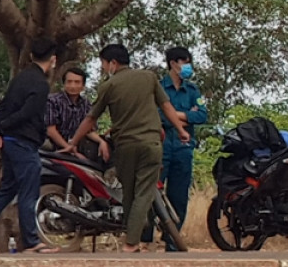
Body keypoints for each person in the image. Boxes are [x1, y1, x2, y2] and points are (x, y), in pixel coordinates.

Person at [65, 44, 189, 253]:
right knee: (144, 192)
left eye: (103, 64)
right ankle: (132, 242)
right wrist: (181, 130)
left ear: (113, 63)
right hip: (150, 144)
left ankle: (131, 238)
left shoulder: (108, 86)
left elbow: (90, 119)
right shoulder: (149, 77)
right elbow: (166, 106)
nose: (104, 68)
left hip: (125, 146)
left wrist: (73, 142)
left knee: (129, 194)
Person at [0, 40, 61, 254]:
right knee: (29, 192)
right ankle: (31, 241)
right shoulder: (41, 84)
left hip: (10, 142)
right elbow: (29, 113)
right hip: (24, 142)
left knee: (6, 189)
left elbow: (3, 106)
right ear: (53, 60)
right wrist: (7, 126)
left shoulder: (20, 79)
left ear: (31, 57)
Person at [141, 46, 207, 251]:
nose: (188, 67)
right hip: (160, 146)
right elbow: (155, 114)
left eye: (189, 63)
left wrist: (172, 113)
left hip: (183, 147)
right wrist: (185, 115)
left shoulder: (193, 90)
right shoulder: (158, 87)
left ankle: (172, 242)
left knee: (179, 196)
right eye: (184, 62)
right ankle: (146, 239)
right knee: (152, 193)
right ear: (172, 64)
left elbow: (201, 115)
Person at [44, 66, 111, 164]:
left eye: (77, 82)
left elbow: (88, 130)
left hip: (75, 149)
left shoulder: (86, 104)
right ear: (64, 84)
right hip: (51, 147)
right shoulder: (52, 100)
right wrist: (69, 148)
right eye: (69, 82)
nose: (72, 86)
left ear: (83, 86)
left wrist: (101, 142)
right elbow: (50, 130)